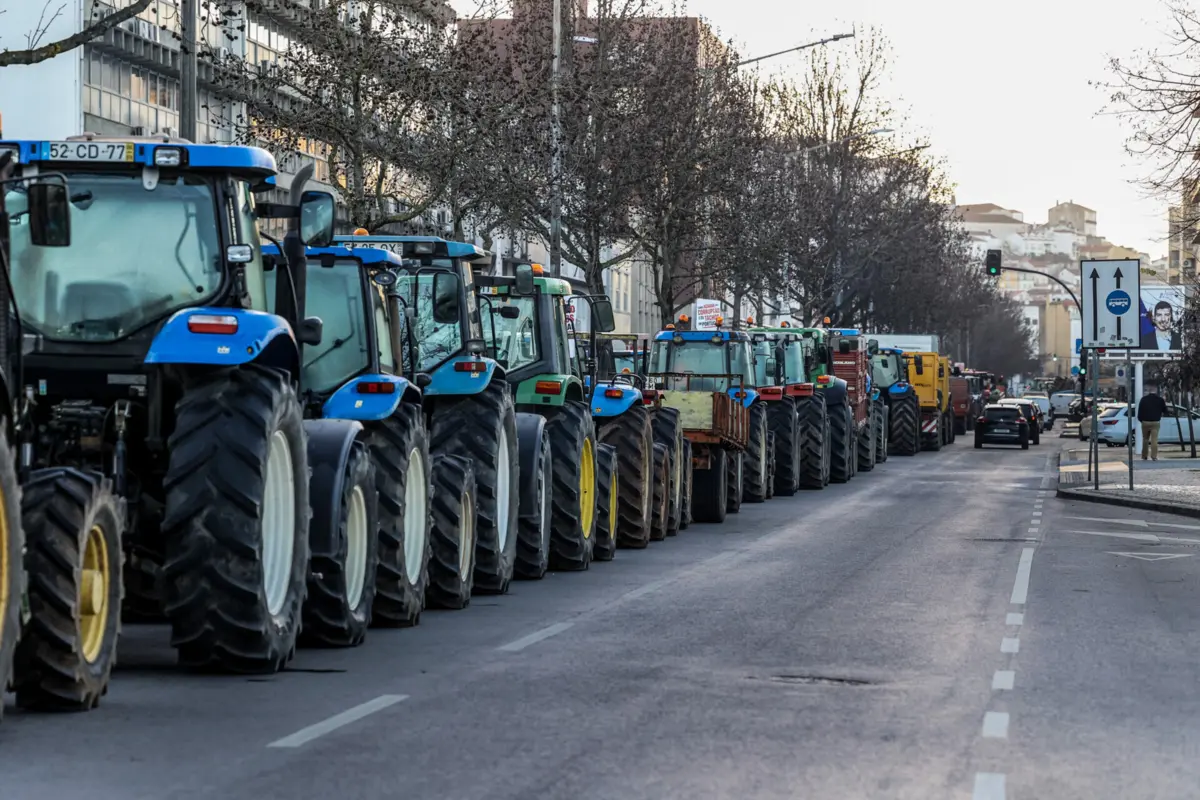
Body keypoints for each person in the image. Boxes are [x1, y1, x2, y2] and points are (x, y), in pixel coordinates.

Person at [1136, 387, 1169, 461]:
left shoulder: (1143, 399)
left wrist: (1142, 420)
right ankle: (1154, 456)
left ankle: (1144, 456)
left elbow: (1140, 412)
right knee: (1154, 440)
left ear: (1149, 391)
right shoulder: (1160, 400)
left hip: (1145, 422)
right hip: (1155, 422)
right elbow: (1165, 411)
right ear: (1156, 391)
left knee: (1145, 439)